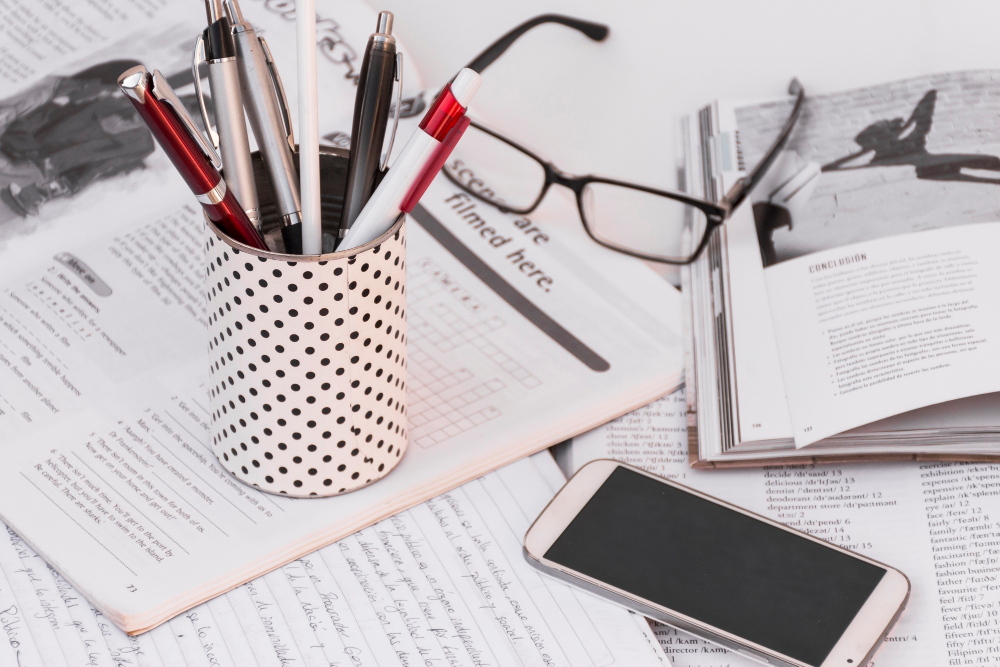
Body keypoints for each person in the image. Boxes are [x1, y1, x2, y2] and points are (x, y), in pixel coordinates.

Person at [822, 89, 1000, 183]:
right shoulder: (905, 140)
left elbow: (855, 157)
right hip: (929, 169)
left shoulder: (892, 146)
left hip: (927, 170)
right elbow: (922, 119)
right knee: (982, 162)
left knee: (984, 162)